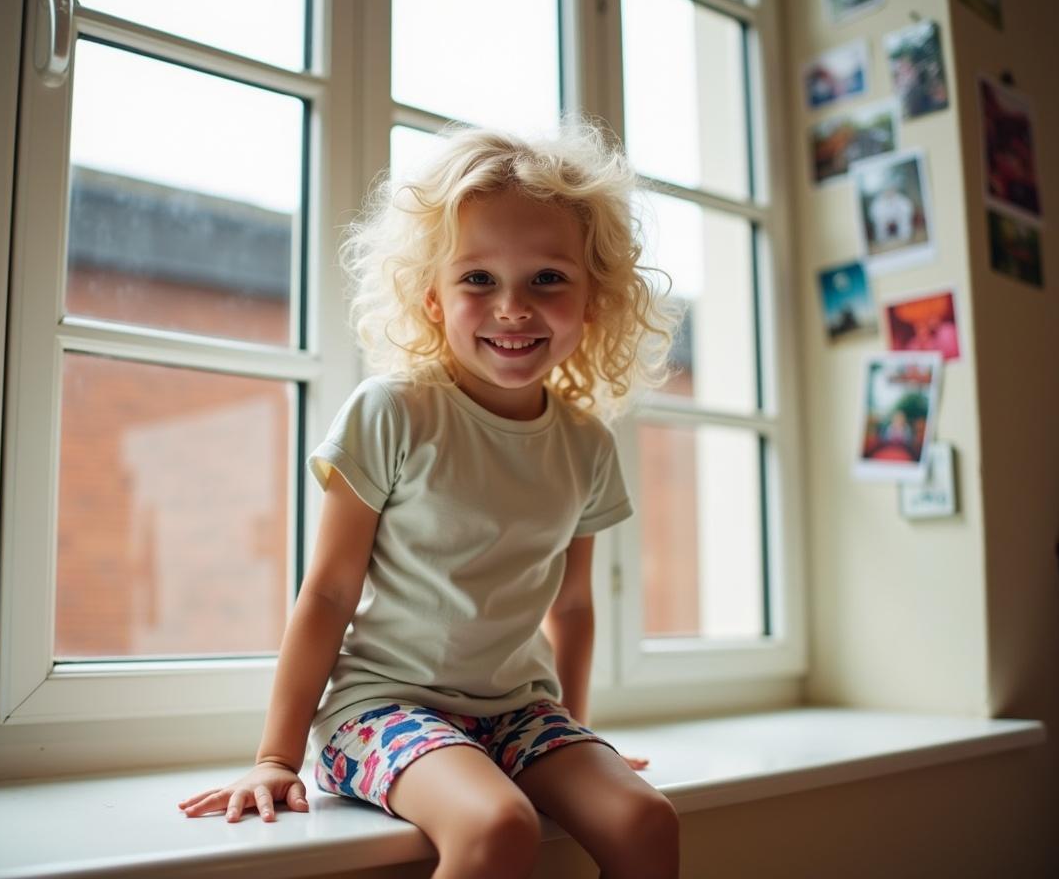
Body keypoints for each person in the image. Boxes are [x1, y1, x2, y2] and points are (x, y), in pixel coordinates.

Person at [177, 123, 682, 879]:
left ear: (594, 302)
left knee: (646, 819)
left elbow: (572, 606)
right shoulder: (394, 411)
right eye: (478, 280)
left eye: (547, 278)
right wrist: (275, 757)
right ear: (434, 300)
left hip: (517, 711)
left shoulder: (586, 444)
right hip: (381, 711)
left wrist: (574, 738)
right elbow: (329, 591)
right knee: (497, 825)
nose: (513, 307)